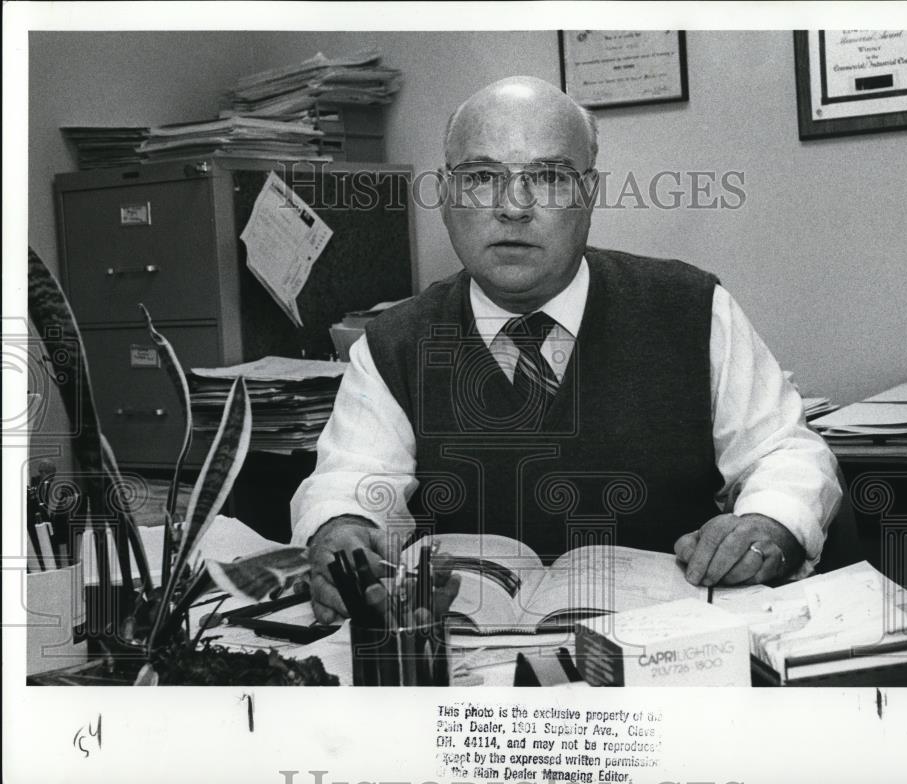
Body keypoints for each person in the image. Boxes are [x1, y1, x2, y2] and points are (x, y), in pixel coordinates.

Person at [291, 76, 842, 624]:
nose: (514, 207)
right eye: (482, 177)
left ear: (590, 193)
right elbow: (351, 484)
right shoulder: (392, 345)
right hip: (471, 670)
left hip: (669, 654)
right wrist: (340, 531)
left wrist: (769, 523)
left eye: (550, 177)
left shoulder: (692, 308)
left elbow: (784, 452)